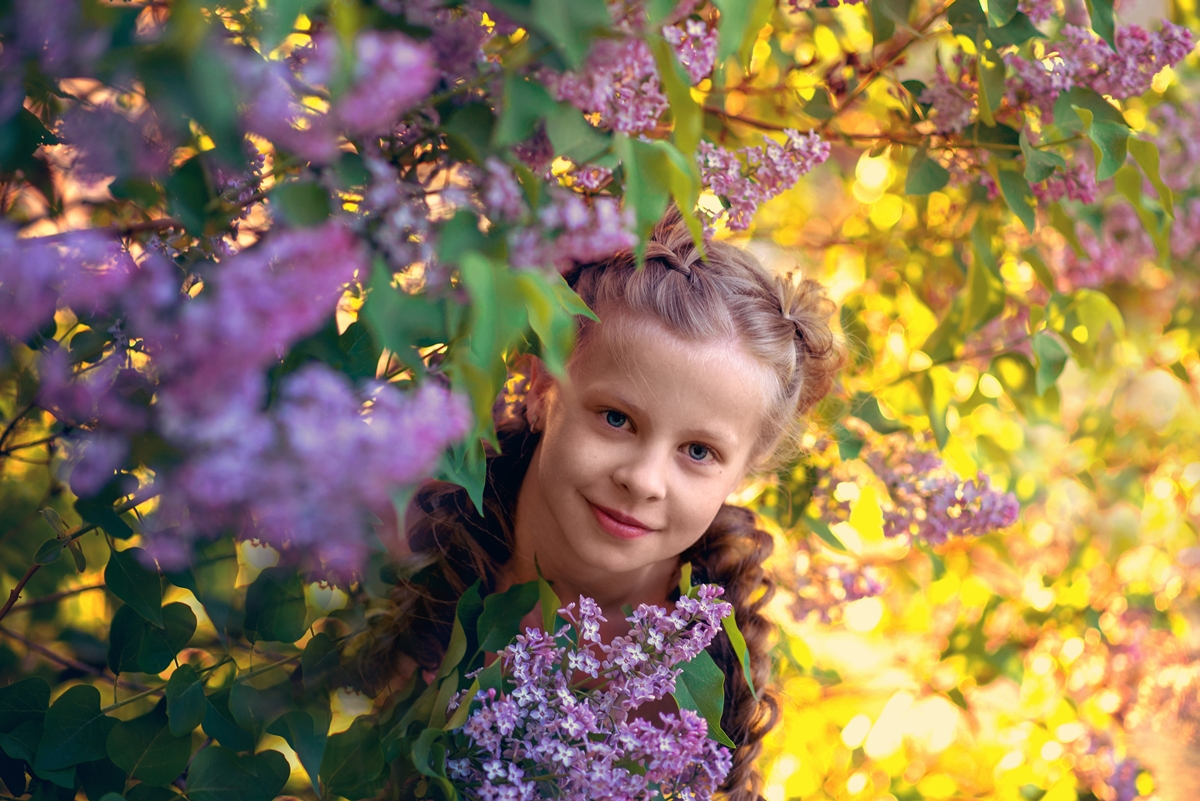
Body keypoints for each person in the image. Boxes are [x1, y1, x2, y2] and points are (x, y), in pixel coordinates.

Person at [368, 209, 844, 801]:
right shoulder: (405, 531)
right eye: (616, 418)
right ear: (543, 390)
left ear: (741, 474)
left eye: (698, 451)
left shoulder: (691, 699)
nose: (644, 480)